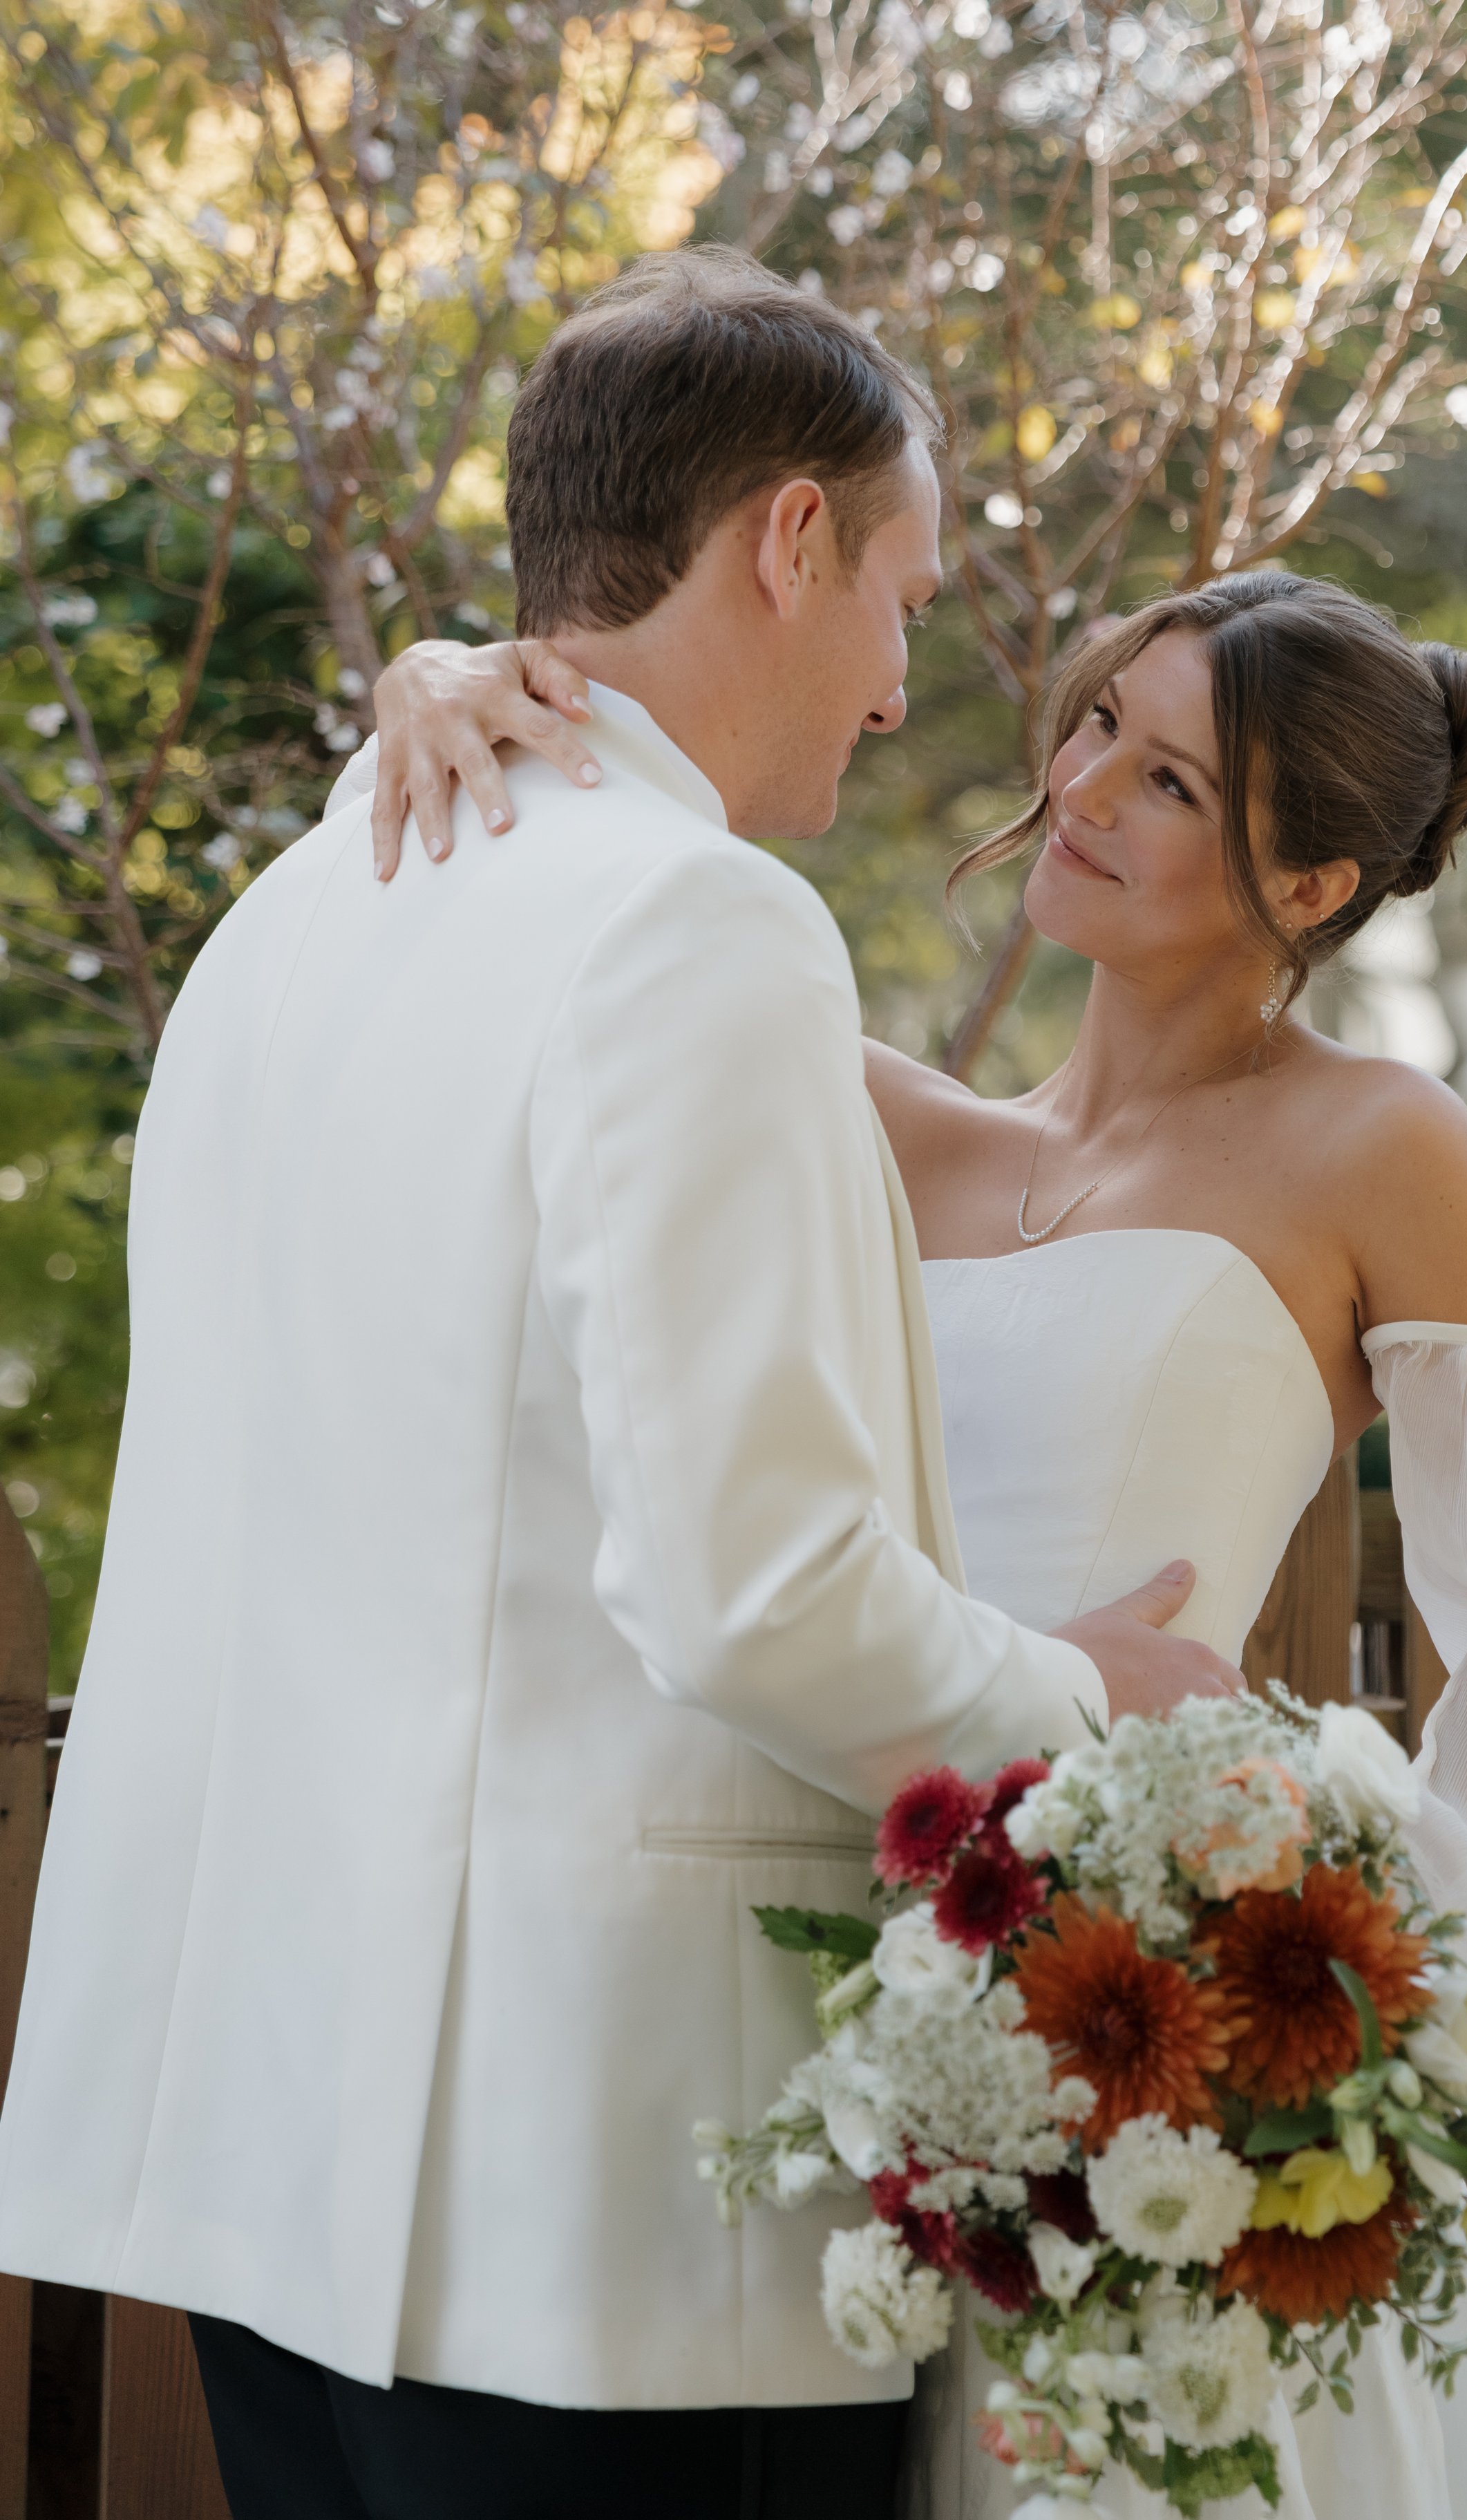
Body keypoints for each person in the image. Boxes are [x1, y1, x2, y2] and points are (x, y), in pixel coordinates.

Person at [0, 251, 1238, 2520]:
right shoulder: (697, 921)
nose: (893, 695)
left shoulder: (302, 900)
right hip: (598, 2224)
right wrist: (1087, 1699)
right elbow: (752, 1589)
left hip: (269, 2159)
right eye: (898, 597)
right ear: (785, 540)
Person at [366, 566, 1467, 2520]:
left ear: (1308, 887)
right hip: (844, 1995)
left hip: (1174, 2028)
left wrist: (1360, 2001)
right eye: (1094, 729)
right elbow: (528, 978)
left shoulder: (1384, 1147)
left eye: (1167, 784)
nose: (1079, 789)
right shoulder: (872, 1116)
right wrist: (442, 674)